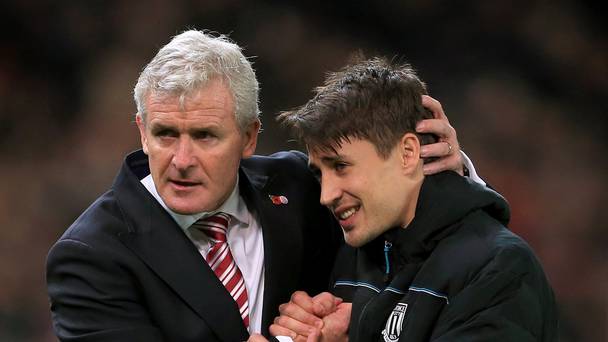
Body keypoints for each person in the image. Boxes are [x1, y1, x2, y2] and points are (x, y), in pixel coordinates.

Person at [45, 30, 467, 342]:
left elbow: (407, 226)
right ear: (142, 132)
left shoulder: (302, 187)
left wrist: (448, 169)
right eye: (165, 134)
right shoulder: (91, 255)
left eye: (206, 136)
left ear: (249, 137)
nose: (182, 160)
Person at [257, 57, 558, 341]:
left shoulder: (499, 268)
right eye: (320, 173)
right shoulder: (356, 250)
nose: (326, 195)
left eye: (341, 166)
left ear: (408, 153)